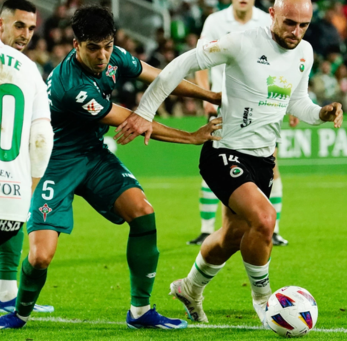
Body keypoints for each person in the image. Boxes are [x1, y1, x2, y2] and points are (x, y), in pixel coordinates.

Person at [0, 5, 222, 330]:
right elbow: (133, 121)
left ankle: (141, 311)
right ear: (76, 45)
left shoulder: (113, 54)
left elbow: (162, 78)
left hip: (92, 154)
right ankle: (19, 313)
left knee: (143, 213)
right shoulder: (70, 86)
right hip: (55, 162)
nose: (103, 55)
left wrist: (211, 95)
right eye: (93, 48)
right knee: (40, 257)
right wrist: (190, 137)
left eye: (107, 45)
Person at [123, 0, 342, 325]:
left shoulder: (304, 52)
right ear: (272, 14)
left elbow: (297, 103)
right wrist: (145, 111)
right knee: (265, 219)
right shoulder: (242, 42)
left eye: (303, 26)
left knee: (232, 237)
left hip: (263, 159)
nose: (296, 32)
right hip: (223, 150)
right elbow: (183, 63)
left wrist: (321, 113)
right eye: (289, 23)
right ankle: (265, 302)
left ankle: (189, 287)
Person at [191, 0, 292, 247]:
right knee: (216, 163)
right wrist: (205, 95)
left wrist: (289, 102)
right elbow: (200, 61)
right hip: (223, 106)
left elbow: (282, 65)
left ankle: (274, 229)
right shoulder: (215, 21)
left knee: (272, 165)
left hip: (261, 108)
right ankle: (206, 230)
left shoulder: (268, 21)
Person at [0, 0, 54, 315]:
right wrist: (29, 186)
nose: (26, 35)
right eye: (20, 25)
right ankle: (8, 295)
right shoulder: (32, 72)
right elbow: (42, 139)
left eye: (31, 28)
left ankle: (7, 295)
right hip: (12, 198)